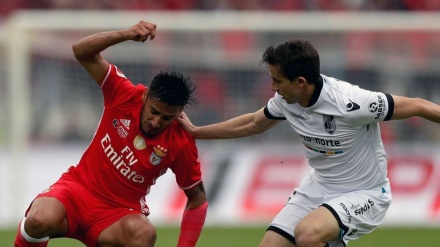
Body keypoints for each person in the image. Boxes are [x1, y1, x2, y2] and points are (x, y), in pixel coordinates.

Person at [177, 38, 440, 247]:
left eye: (277, 80)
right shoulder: (285, 101)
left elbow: (417, 105)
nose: (272, 88)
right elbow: (254, 123)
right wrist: (197, 132)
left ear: (300, 82)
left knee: (308, 234)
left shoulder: (352, 102)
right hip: (318, 189)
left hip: (365, 193)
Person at [14, 21, 208, 247]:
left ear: (179, 113)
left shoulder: (181, 141)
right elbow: (81, 51)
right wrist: (126, 34)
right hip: (77, 191)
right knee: (38, 219)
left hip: (117, 214)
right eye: (154, 111)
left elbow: (197, 199)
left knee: (144, 233)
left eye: (167, 117)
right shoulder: (124, 94)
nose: (156, 122)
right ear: (146, 97)